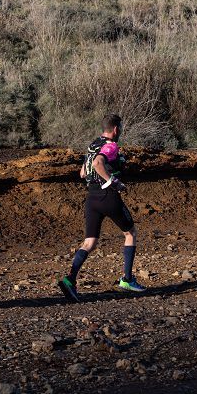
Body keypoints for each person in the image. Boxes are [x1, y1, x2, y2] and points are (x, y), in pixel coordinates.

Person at [58, 114, 146, 302]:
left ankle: (70, 280)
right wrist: (113, 182)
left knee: (89, 242)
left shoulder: (93, 145)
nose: (120, 131)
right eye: (120, 128)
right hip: (108, 197)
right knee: (130, 233)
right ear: (115, 129)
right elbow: (98, 163)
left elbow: (83, 173)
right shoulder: (111, 146)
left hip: (92, 199)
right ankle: (127, 280)